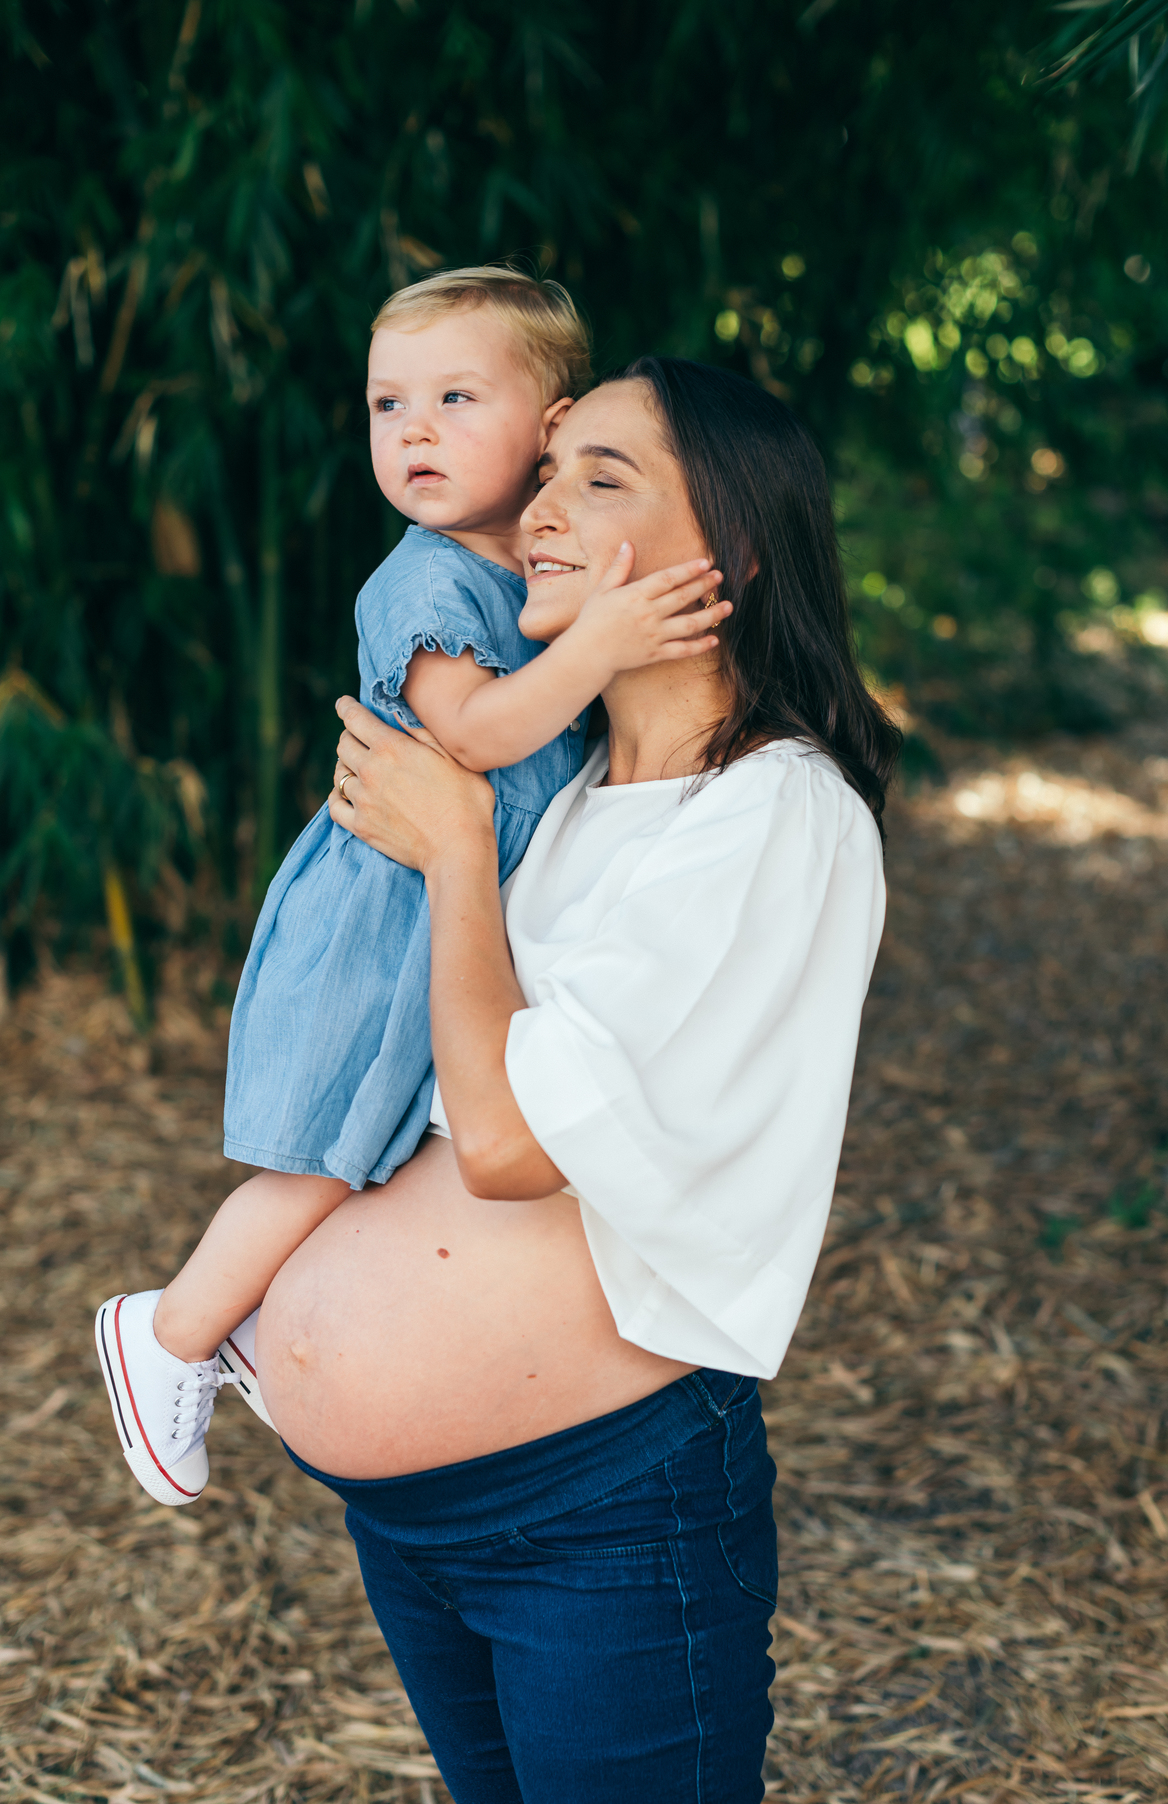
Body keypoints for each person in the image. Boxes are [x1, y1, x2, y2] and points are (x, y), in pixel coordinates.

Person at [255, 357, 901, 1804]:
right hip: (424, 1516)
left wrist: (456, 849)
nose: (540, 507)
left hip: (600, 1514)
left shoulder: (774, 815)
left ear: (729, 550)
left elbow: (503, 1141)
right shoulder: (570, 797)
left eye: (601, 477)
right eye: (547, 471)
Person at [94, 270, 731, 1508]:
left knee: (383, 1150)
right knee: (332, 1153)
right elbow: (480, 733)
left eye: (453, 396)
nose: (415, 430)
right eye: (389, 404)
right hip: (380, 920)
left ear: (552, 430)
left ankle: (231, 1328)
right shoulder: (425, 581)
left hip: (446, 921)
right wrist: (601, 645)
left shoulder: (540, 576)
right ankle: (167, 1331)